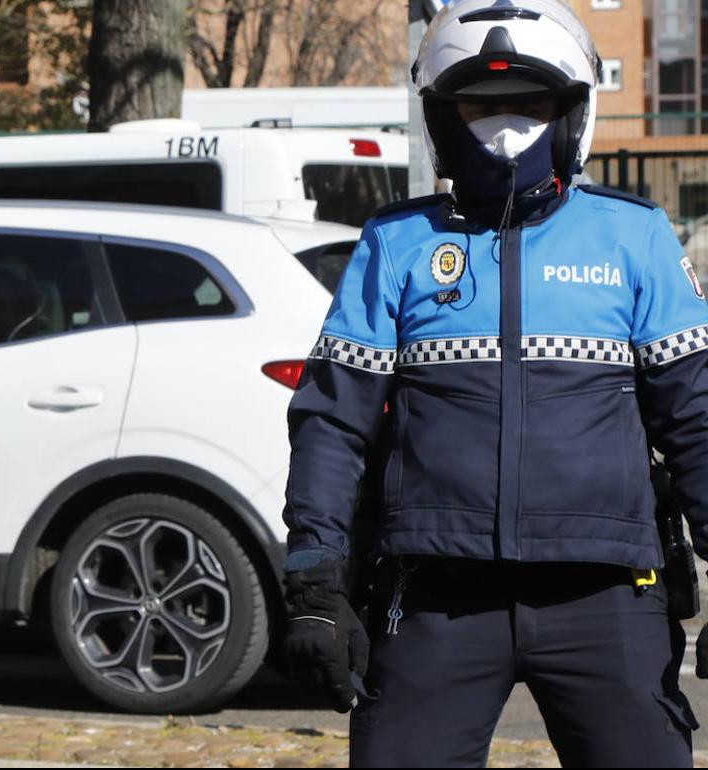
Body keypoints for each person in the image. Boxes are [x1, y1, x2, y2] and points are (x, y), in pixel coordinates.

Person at [282, 0, 708, 766]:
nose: (505, 128)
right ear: (444, 120)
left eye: (529, 106)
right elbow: (333, 426)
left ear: (571, 115)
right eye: (481, 107)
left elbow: (697, 420)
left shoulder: (634, 236)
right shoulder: (398, 242)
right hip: (435, 594)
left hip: (607, 592)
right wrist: (314, 581)